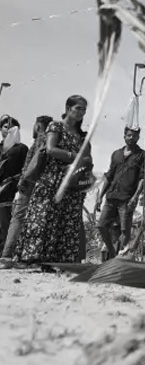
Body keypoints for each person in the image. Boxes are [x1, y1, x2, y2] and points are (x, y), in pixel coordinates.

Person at [13, 96, 92, 264]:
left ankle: (57, 259)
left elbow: (87, 159)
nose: (81, 112)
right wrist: (75, 157)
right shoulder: (56, 126)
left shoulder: (80, 135)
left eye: (84, 109)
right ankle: (34, 257)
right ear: (68, 108)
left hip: (71, 183)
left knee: (66, 220)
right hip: (51, 180)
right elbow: (50, 149)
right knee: (44, 217)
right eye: (78, 108)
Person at [1, 116, 53, 261]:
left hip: (30, 183)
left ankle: (8, 254)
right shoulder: (48, 141)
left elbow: (34, 164)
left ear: (38, 126)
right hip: (37, 184)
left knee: (18, 218)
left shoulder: (40, 142)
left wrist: (24, 179)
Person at [94, 126, 145, 259]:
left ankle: (119, 258)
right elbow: (109, 176)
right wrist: (100, 197)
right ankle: (112, 252)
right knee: (101, 225)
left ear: (138, 137)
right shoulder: (116, 154)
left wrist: (135, 197)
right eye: (129, 135)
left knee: (125, 230)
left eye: (135, 136)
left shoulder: (142, 155)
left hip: (127, 198)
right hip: (112, 195)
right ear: (124, 136)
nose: (132, 138)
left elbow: (143, 178)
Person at [0, 116, 29, 250]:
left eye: (11, 127)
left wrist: (14, 180)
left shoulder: (21, 148)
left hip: (13, 189)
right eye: (5, 127)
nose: (7, 130)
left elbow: (26, 168)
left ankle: (8, 251)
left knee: (8, 220)